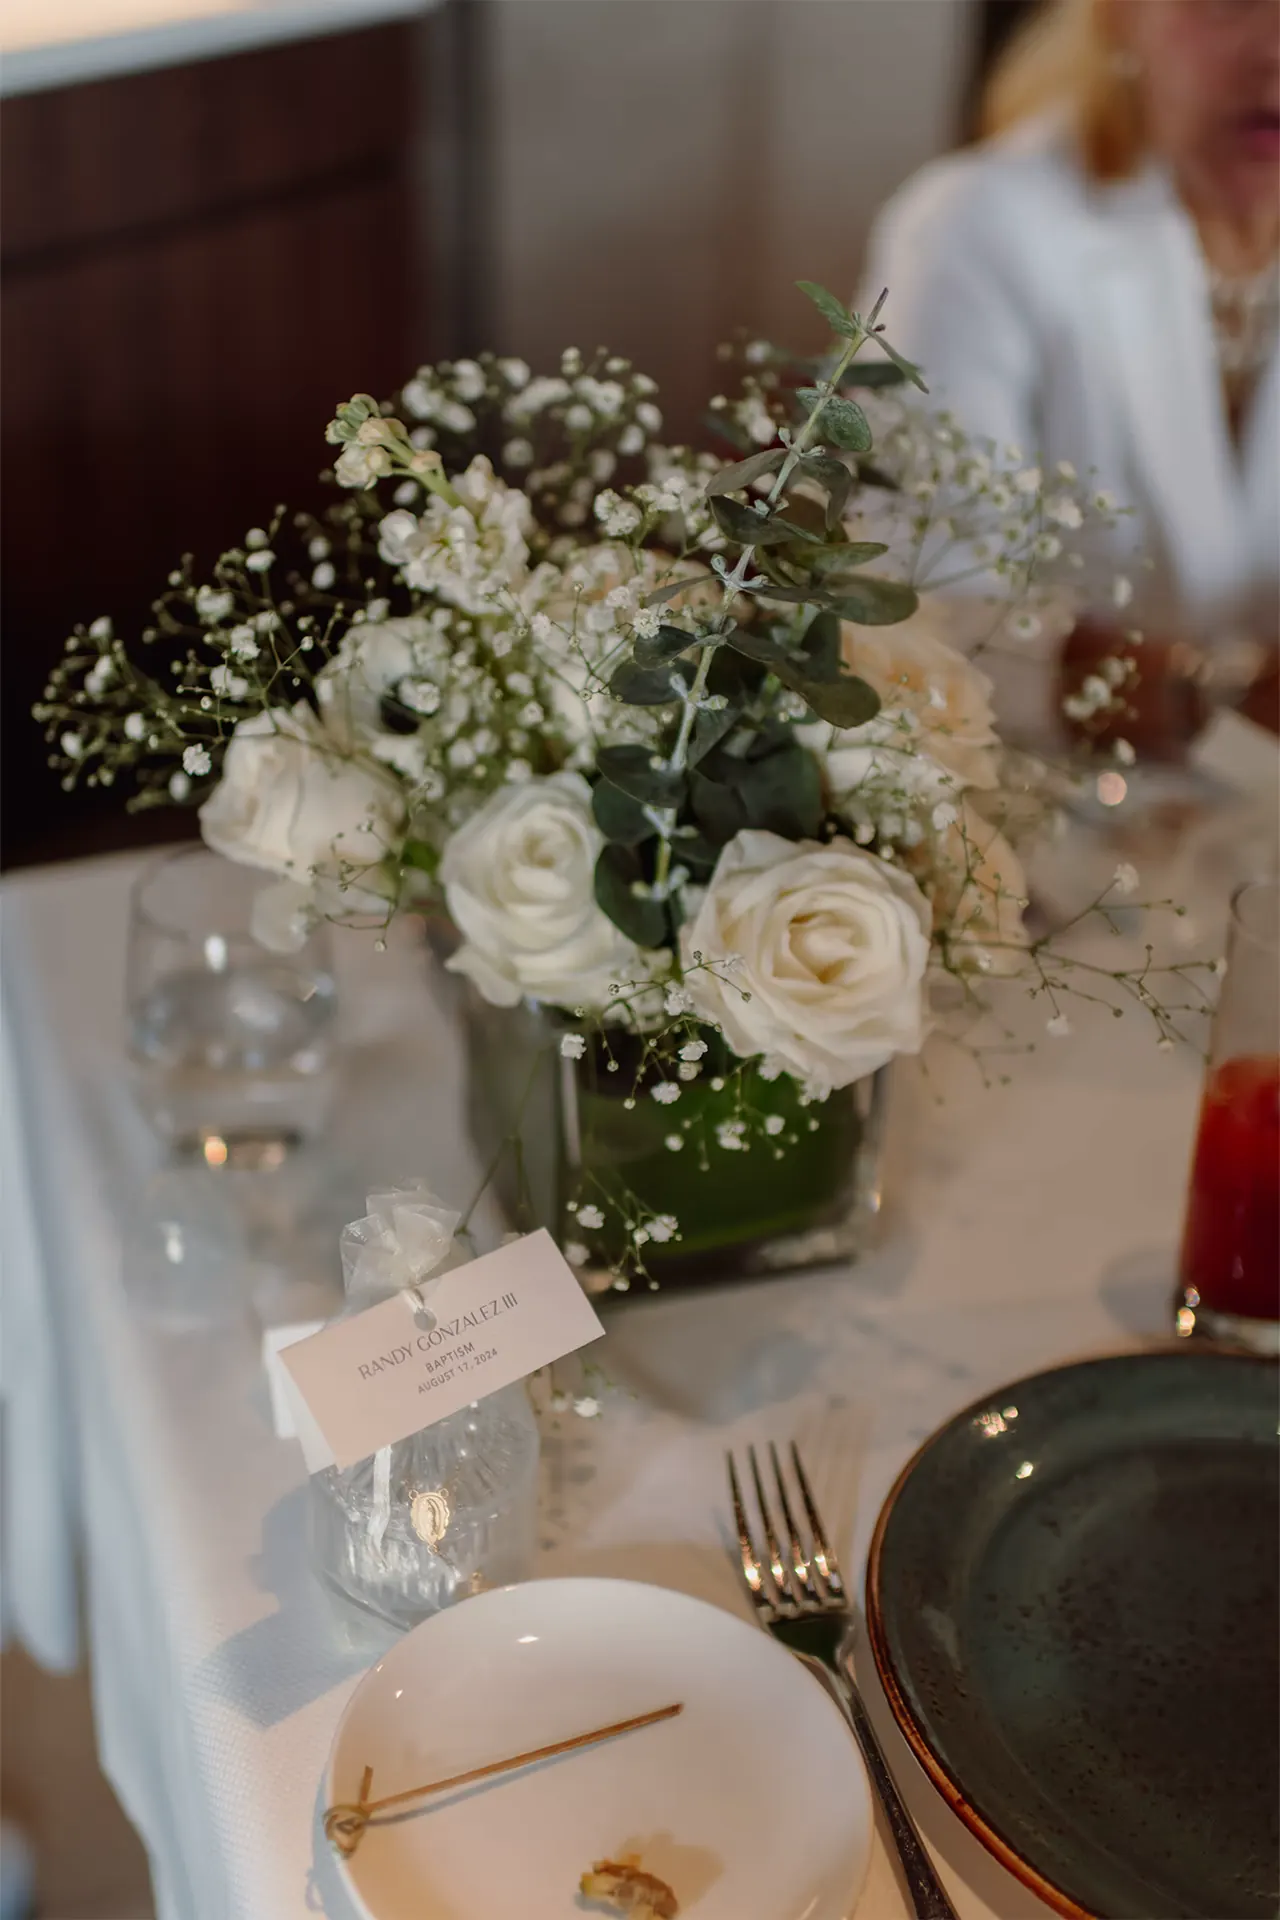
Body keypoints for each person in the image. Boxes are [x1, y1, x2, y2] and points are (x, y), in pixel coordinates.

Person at [864, 0, 1279, 739]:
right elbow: (921, 616)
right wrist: (1215, 698)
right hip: (1043, 819)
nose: (1274, 52)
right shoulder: (975, 227)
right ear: (1118, 14)